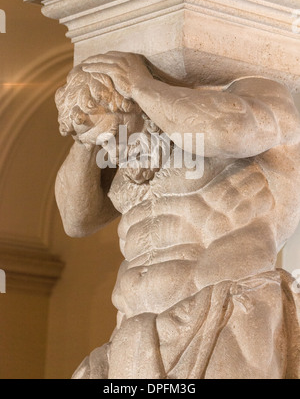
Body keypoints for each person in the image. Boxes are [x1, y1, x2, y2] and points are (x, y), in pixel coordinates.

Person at [55, 52, 300, 379]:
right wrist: (85, 132)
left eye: (113, 136)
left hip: (222, 318)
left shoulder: (254, 93)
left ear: (136, 104)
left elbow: (231, 131)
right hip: (131, 334)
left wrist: (141, 85)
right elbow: (76, 220)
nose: (111, 152)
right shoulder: (130, 154)